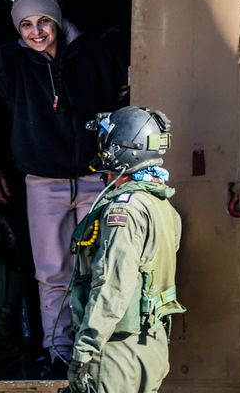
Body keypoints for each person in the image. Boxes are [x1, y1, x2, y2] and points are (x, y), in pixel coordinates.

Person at [0, 0, 129, 376]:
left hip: (96, 178)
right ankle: (59, 351)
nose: (37, 32)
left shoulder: (94, 52)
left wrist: (118, 164)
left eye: (44, 21)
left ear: (57, 20)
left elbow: (121, 100)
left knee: (96, 269)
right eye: (26, 24)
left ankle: (94, 350)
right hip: (44, 184)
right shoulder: (14, 62)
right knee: (53, 273)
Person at [67, 106, 186, 393]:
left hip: (114, 355)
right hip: (150, 351)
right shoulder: (163, 207)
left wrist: (85, 350)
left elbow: (112, 286)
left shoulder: (124, 210)